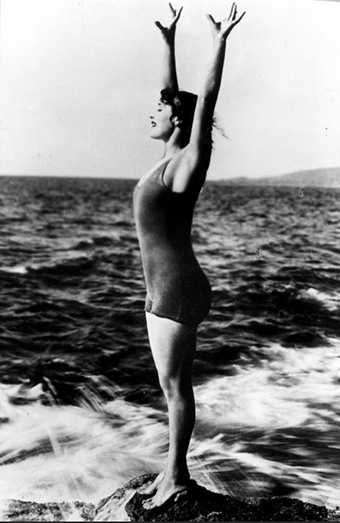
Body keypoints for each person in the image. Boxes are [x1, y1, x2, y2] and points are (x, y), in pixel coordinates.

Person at [133, 2, 245, 510]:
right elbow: (173, 96)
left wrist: (219, 40)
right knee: (170, 384)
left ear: (178, 119)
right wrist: (168, 41)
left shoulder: (185, 165)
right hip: (169, 288)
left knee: (175, 387)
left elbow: (204, 103)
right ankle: (169, 471)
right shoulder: (167, 161)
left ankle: (176, 477)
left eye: (160, 110)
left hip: (176, 289)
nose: (152, 112)